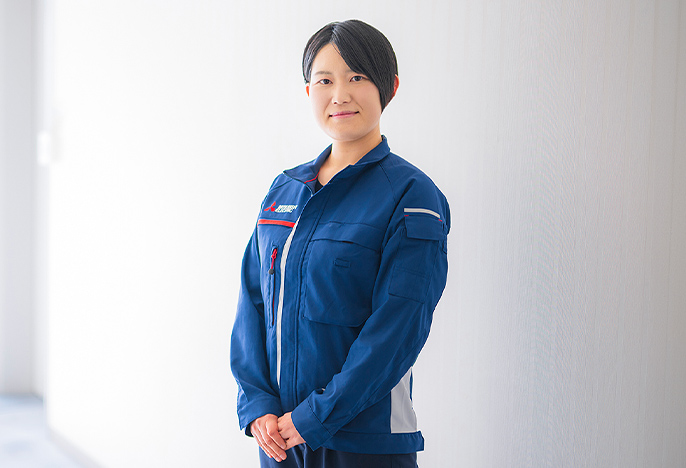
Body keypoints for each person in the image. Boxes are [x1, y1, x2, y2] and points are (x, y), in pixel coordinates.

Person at [230, 19, 450, 468]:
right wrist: (258, 406)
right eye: (325, 81)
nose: (340, 95)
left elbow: (397, 329)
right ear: (308, 91)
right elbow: (253, 304)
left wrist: (315, 417)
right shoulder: (285, 191)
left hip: (364, 443)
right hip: (280, 439)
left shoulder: (412, 196)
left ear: (389, 87)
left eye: (357, 77)